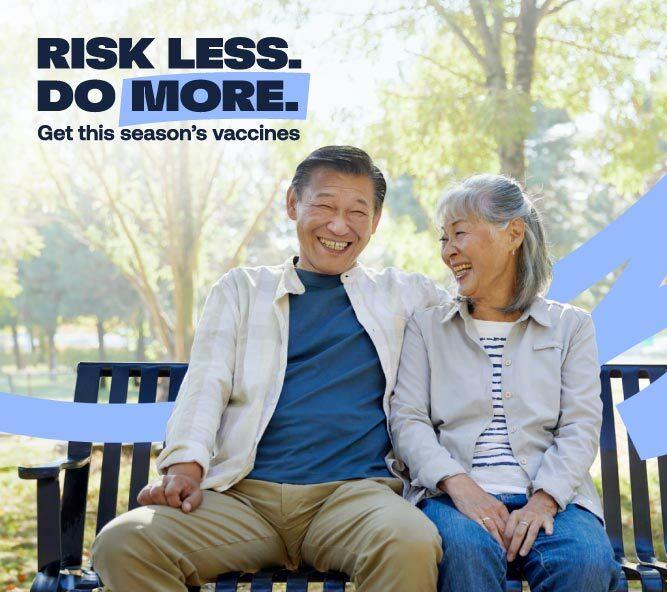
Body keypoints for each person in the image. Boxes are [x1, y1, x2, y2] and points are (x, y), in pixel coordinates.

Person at [90, 146, 446, 592]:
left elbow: (484, 313)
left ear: (375, 222)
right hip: (243, 498)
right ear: (293, 205)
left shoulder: (408, 295)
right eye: (324, 206)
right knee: (123, 543)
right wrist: (184, 468)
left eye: (358, 211)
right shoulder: (242, 290)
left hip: (356, 498)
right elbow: (205, 385)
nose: (340, 225)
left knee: (410, 541)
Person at [389, 174, 621, 592]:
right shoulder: (427, 327)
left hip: (553, 498)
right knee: (463, 551)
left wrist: (544, 500)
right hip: (451, 497)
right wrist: (460, 487)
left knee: (583, 562)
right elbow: (408, 420)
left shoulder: (571, 327)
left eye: (459, 233)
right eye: (444, 239)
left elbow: (580, 426)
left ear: (513, 233)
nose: (448, 251)